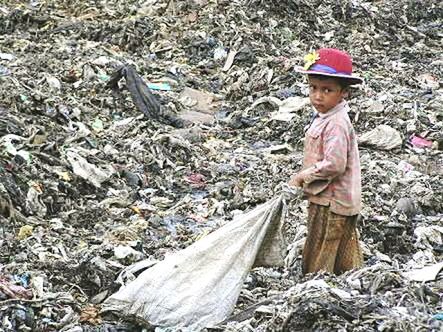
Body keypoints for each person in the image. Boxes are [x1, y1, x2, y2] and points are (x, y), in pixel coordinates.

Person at [289, 48, 363, 275]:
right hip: (323, 197)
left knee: (326, 245)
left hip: (334, 201)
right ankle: (341, 277)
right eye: (313, 88)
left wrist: (304, 176)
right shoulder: (324, 117)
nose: (318, 96)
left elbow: (335, 164)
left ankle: (320, 281)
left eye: (327, 90)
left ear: (344, 93)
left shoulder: (336, 124)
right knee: (324, 240)